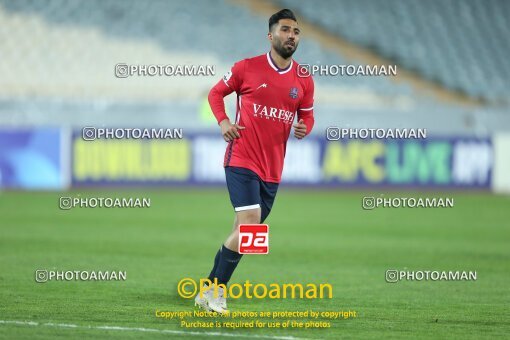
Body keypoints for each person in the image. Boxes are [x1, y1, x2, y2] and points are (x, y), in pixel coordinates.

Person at [195, 8, 315, 313]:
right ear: (270, 35)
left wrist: (305, 127)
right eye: (285, 29)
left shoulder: (303, 79)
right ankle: (215, 294)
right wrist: (223, 121)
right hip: (242, 158)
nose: (291, 35)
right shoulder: (246, 68)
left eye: (296, 31)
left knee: (245, 235)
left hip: (273, 169)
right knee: (251, 231)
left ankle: (208, 289)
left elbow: (308, 115)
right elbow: (215, 93)